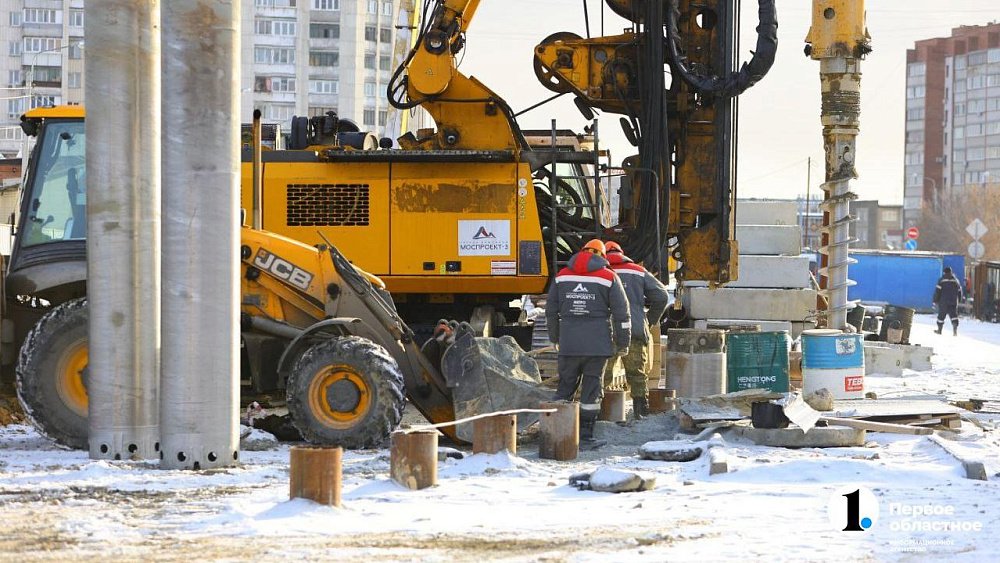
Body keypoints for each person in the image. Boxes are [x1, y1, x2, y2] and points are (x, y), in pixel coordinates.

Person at [546, 239, 630, 443]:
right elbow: (622, 314)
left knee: (565, 386)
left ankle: (556, 433)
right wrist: (623, 342)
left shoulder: (562, 276)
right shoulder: (609, 277)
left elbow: (550, 311)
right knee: (592, 389)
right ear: (602, 256)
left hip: (569, 343)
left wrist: (555, 338)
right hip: (597, 345)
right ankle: (585, 436)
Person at [602, 241, 670, 419]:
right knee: (637, 375)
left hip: (606, 332)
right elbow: (662, 296)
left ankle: (598, 416)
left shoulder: (601, 272)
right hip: (635, 329)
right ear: (622, 253)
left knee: (602, 376)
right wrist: (648, 321)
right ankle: (640, 413)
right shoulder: (638, 271)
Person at [933, 266, 964, 336]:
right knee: (953, 315)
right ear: (951, 272)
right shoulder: (956, 280)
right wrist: (960, 299)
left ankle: (939, 330)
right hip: (953, 301)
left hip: (943, 301)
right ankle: (955, 330)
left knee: (941, 316)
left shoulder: (941, 280)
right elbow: (960, 291)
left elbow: (937, 291)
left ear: (944, 272)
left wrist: (935, 300)